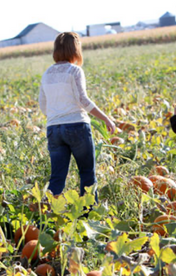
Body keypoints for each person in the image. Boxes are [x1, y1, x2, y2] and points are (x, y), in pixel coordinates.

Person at [38, 32, 115, 201]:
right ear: (75, 49)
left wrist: (56, 117)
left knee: (57, 176)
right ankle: (87, 215)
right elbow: (82, 100)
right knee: (87, 173)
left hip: (53, 129)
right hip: (77, 127)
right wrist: (106, 119)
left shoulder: (47, 74)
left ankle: (47, 215)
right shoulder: (75, 71)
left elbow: (43, 104)